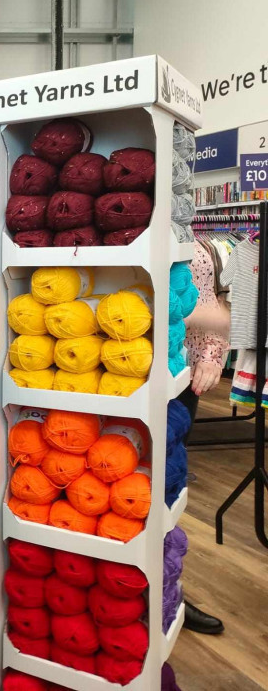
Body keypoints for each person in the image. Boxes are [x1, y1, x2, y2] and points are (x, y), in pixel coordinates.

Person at [177, 241, 230, 635]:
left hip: (177, 382)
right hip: (107, 377)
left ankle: (168, 588)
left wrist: (211, 357)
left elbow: (213, 311)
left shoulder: (191, 248)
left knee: (167, 488)